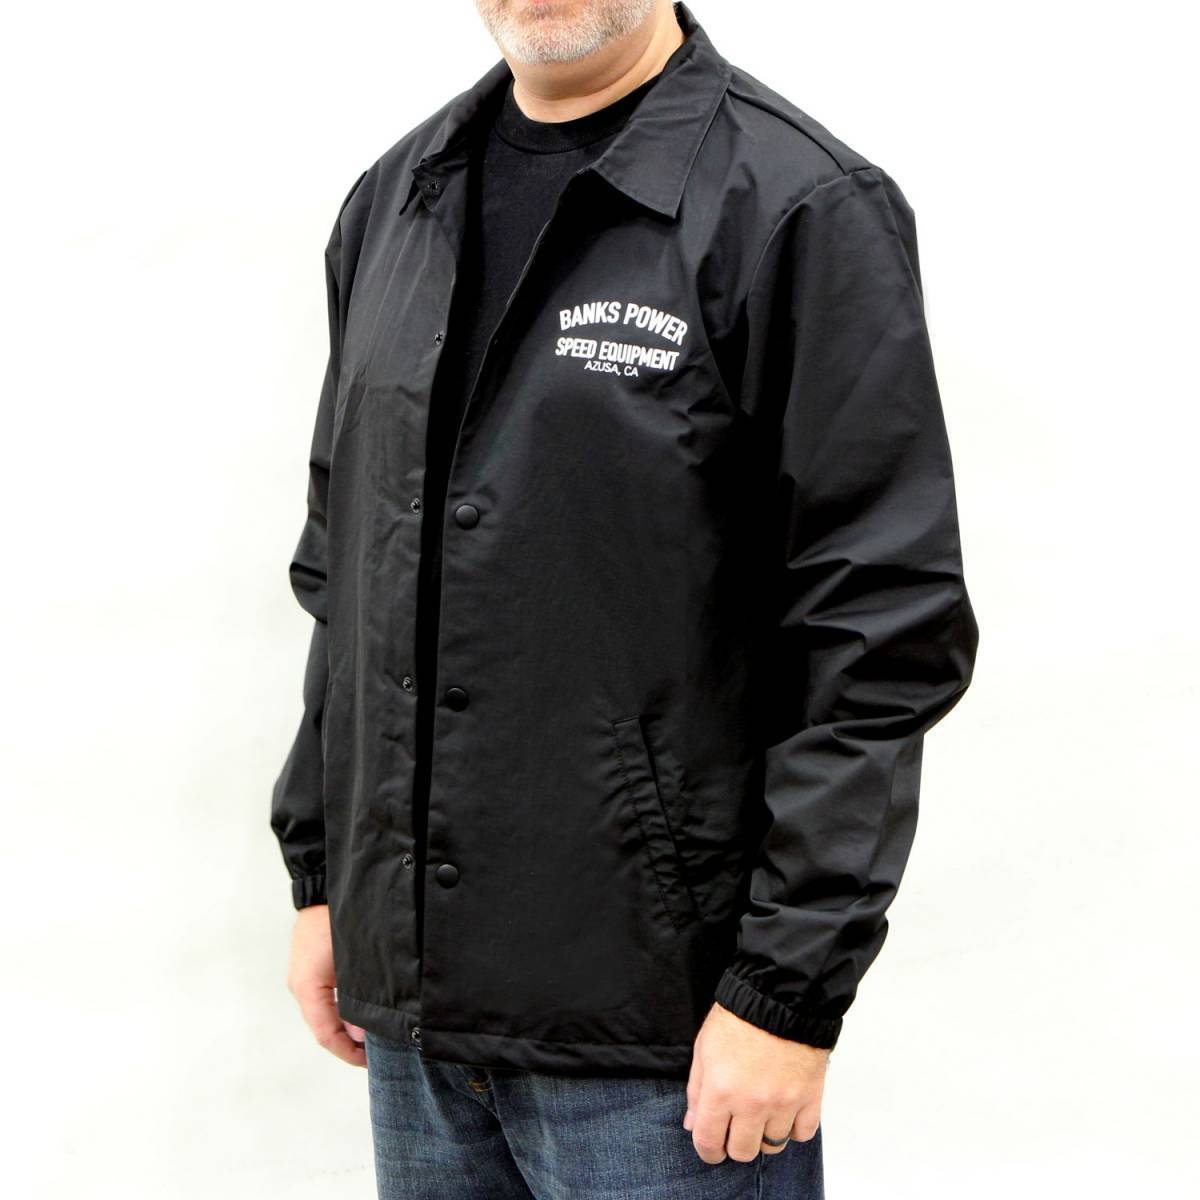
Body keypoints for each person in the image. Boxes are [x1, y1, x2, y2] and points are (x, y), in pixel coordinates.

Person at [270, 2, 979, 1195]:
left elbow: (881, 630)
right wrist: (325, 875)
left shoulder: (797, 206)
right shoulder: (395, 202)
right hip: (418, 1034)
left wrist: (787, 994)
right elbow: (347, 563)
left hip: (665, 1047)